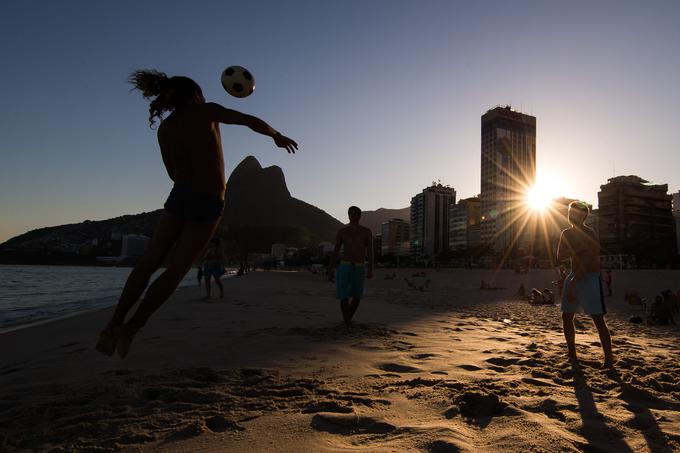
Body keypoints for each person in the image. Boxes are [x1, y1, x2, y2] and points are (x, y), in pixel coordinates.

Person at [96, 69, 298, 358]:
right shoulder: (206, 112)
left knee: (149, 262)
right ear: (195, 95)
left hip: (178, 196)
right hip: (207, 200)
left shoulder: (166, 129)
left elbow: (171, 172)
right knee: (176, 270)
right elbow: (248, 121)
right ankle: (131, 328)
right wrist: (276, 135)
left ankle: (113, 323)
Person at [557, 201, 614, 368]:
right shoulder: (566, 233)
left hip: (589, 277)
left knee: (598, 319)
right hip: (573, 274)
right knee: (566, 316)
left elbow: (591, 256)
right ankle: (572, 354)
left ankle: (609, 360)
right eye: (571, 212)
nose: (574, 216)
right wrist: (578, 249)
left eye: (578, 213)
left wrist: (576, 279)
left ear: (584, 216)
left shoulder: (590, 232)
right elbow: (560, 256)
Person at [327, 206, 374, 328]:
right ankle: (347, 323)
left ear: (359, 215)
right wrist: (330, 268)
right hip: (345, 265)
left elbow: (370, 252)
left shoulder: (366, 232)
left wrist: (370, 268)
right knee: (344, 295)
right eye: (349, 213)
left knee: (357, 296)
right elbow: (336, 250)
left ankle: (347, 320)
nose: (351, 215)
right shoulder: (342, 232)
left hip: (359, 266)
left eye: (354, 213)